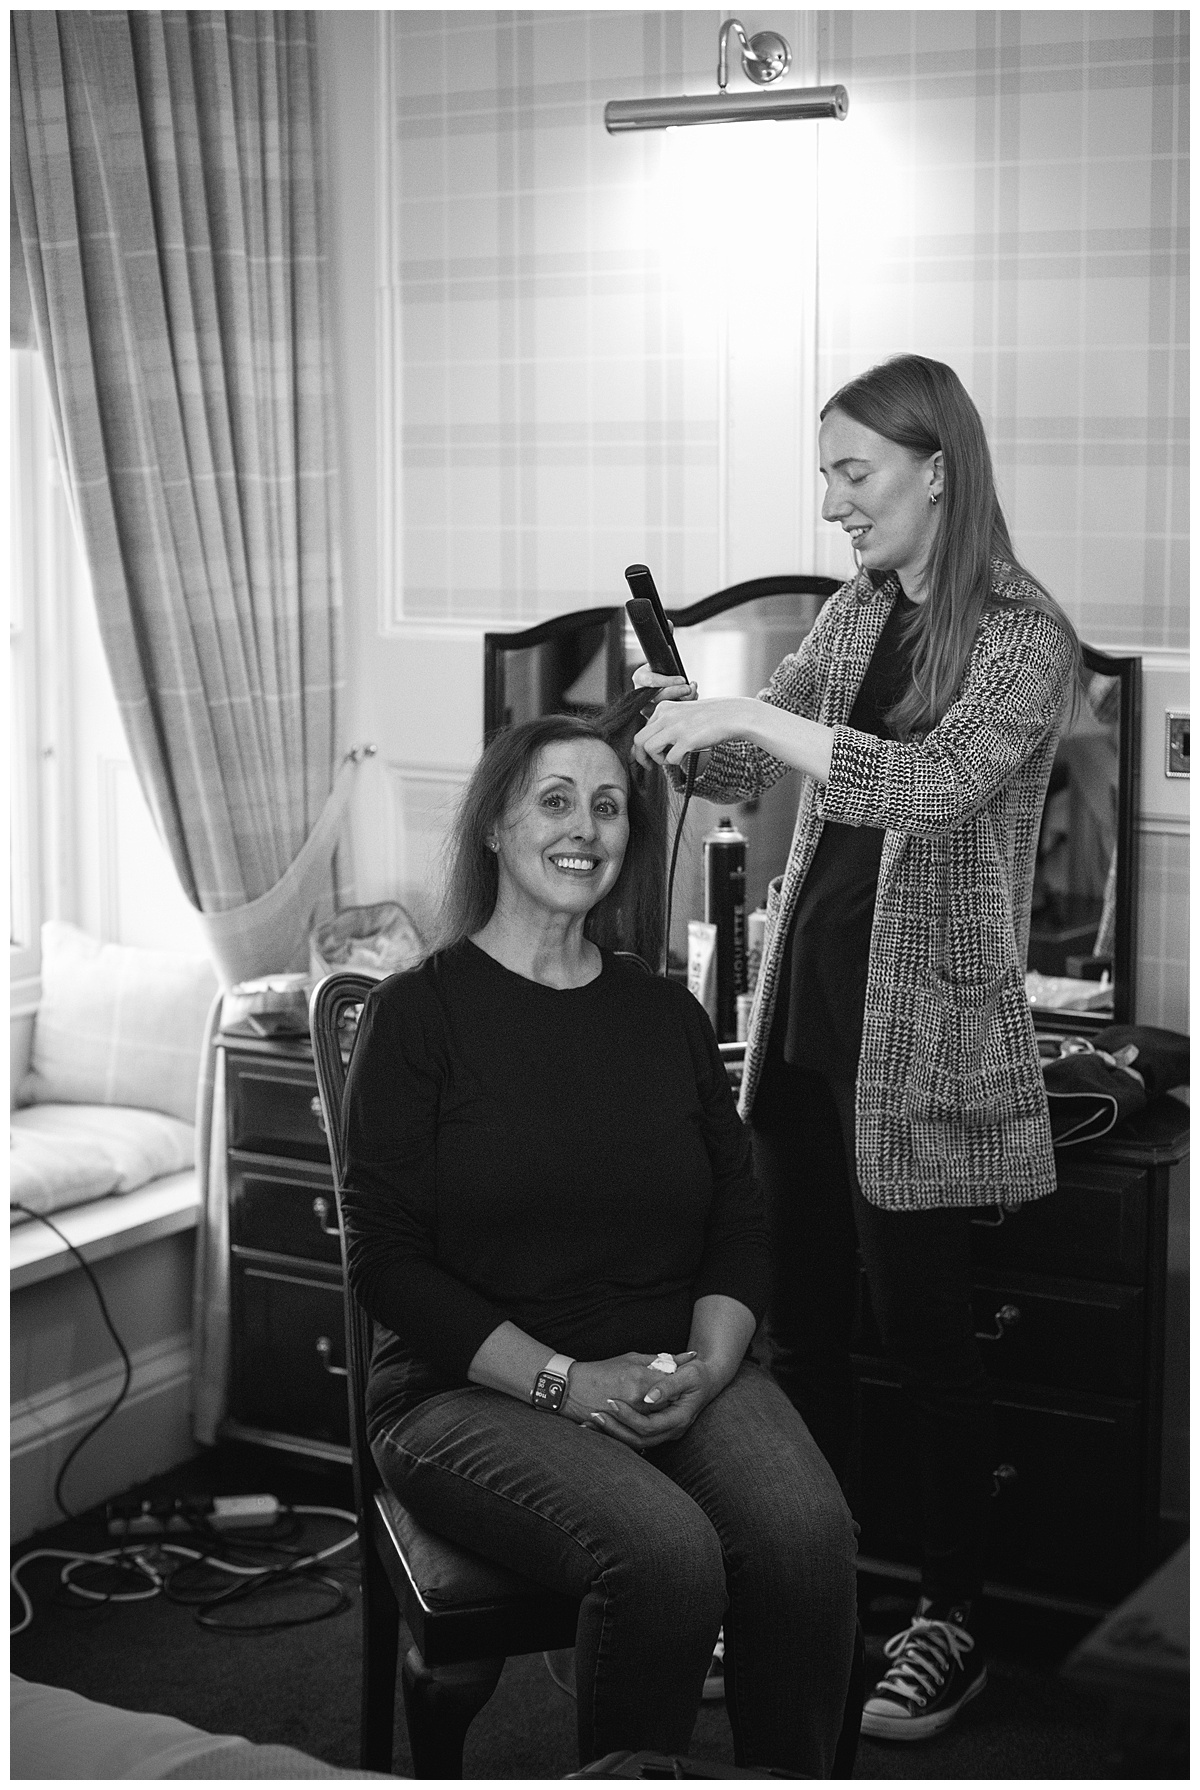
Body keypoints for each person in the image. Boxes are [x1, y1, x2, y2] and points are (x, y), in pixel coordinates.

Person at [632, 354, 1079, 1742]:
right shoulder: (855, 609)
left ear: (936, 467)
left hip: (925, 1041)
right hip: (807, 1022)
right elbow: (751, 771)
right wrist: (683, 715)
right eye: (826, 473)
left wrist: (756, 715)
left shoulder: (1023, 635)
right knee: (805, 1335)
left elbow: (932, 786)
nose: (833, 500)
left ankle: (951, 1614)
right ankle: (808, 1589)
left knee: (929, 1341)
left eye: (852, 471)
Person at [339, 705, 859, 1775]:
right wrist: (565, 1382)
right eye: (556, 800)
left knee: (809, 1535)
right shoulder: (416, 1016)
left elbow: (738, 1221)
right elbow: (385, 1262)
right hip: (464, 1389)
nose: (586, 827)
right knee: (667, 1555)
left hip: (671, 1361)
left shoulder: (665, 1016)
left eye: (610, 805)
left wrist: (708, 1367)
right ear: (496, 827)